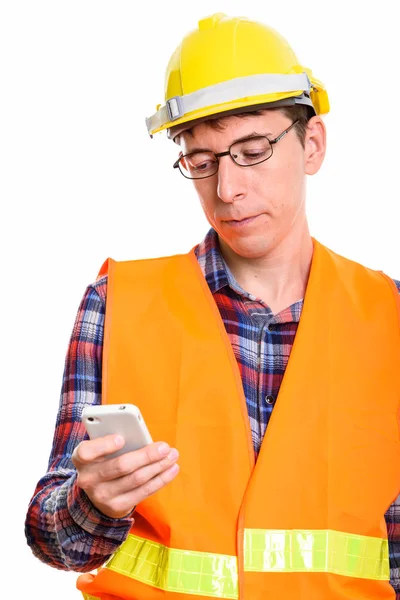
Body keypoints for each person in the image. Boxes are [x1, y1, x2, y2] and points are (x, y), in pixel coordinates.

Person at [25, 11, 400, 600]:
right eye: (201, 162)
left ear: (313, 145)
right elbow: (53, 540)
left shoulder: (390, 319)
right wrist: (91, 503)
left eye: (252, 151)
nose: (227, 189)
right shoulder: (117, 305)